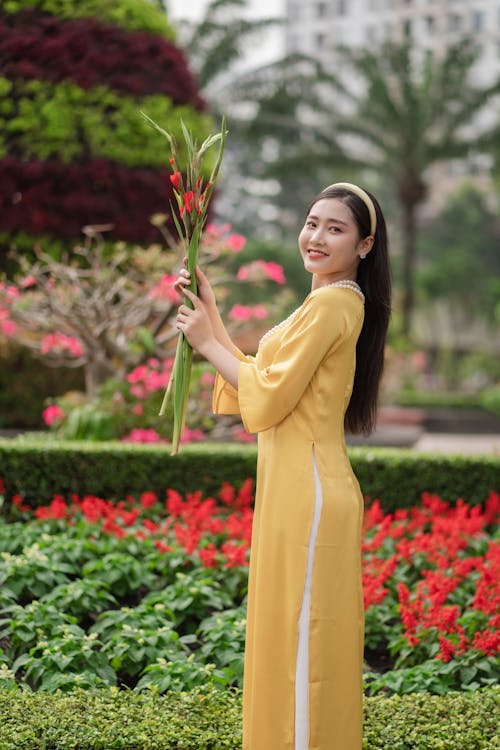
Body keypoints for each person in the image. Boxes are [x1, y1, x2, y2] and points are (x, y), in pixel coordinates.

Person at [174, 182, 391, 750]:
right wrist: (213, 316)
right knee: (289, 636)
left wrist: (204, 343)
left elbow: (266, 399)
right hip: (295, 487)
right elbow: (259, 374)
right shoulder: (325, 303)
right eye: (312, 222)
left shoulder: (332, 304)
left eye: (335, 228)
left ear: (364, 246)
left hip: (309, 493)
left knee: (301, 648)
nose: (316, 236)